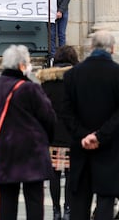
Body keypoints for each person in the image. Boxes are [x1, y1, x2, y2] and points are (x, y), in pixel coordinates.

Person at [0, 44, 56, 220]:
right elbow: (49, 117)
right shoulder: (31, 88)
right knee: (34, 200)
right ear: (22, 65)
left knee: (7, 201)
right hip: (32, 150)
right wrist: (47, 139)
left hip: (4, 149)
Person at [62, 30, 119, 220]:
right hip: (110, 148)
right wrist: (100, 136)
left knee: (79, 204)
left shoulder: (72, 75)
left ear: (91, 47)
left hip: (81, 147)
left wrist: (84, 135)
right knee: (105, 203)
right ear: (113, 49)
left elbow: (66, 113)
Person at [36, 45, 79, 220]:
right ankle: (68, 209)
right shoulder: (78, 79)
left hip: (52, 133)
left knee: (54, 174)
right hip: (72, 133)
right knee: (70, 174)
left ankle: (55, 210)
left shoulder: (46, 81)